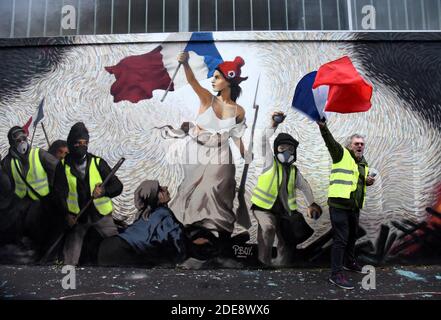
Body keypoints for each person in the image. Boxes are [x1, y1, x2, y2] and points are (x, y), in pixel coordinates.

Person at [158, 53, 250, 252]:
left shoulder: (239, 110)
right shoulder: (207, 98)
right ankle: (192, 234)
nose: (213, 80)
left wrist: (245, 153)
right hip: (198, 151)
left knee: (218, 190)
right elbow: (192, 81)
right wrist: (185, 63)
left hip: (222, 154)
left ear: (229, 81)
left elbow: (236, 136)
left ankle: (220, 235)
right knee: (194, 191)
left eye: (217, 77)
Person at [251, 112, 322, 267]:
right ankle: (264, 262)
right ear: (276, 149)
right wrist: (273, 124)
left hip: (284, 212)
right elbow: (262, 140)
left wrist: (311, 203)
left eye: (290, 148)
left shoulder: (294, 171)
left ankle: (281, 264)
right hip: (263, 207)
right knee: (268, 228)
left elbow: (304, 187)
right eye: (282, 148)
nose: (286, 151)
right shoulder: (270, 162)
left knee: (286, 239)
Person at [53, 122, 123, 265]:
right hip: (78, 218)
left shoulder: (98, 163)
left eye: (85, 143)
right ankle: (67, 285)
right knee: (69, 259)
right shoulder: (62, 167)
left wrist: (103, 191)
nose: (82, 146)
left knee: (117, 248)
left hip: (101, 216)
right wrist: (66, 215)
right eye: (78, 143)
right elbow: (58, 194)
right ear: (71, 143)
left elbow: (118, 186)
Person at [317, 119, 375, 290]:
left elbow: (355, 180)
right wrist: (323, 127)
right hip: (339, 206)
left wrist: (367, 181)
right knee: (340, 240)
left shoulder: (363, 163)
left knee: (351, 237)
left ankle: (350, 263)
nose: (360, 146)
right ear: (350, 145)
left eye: (362, 144)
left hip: (354, 207)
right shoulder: (340, 154)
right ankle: (335, 275)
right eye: (356, 143)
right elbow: (330, 141)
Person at [1, 126, 60, 259]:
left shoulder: (39, 154)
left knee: (42, 222)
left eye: (23, 138)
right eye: (18, 140)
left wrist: (53, 187)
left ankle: (46, 252)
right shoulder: (7, 162)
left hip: (45, 198)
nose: (22, 142)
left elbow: (59, 169)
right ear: (12, 143)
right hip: (22, 201)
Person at [98, 180, 187, 267]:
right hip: (124, 250)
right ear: (155, 197)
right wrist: (180, 260)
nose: (165, 187)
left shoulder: (144, 215)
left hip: (108, 246)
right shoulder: (164, 213)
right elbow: (177, 238)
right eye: (160, 189)